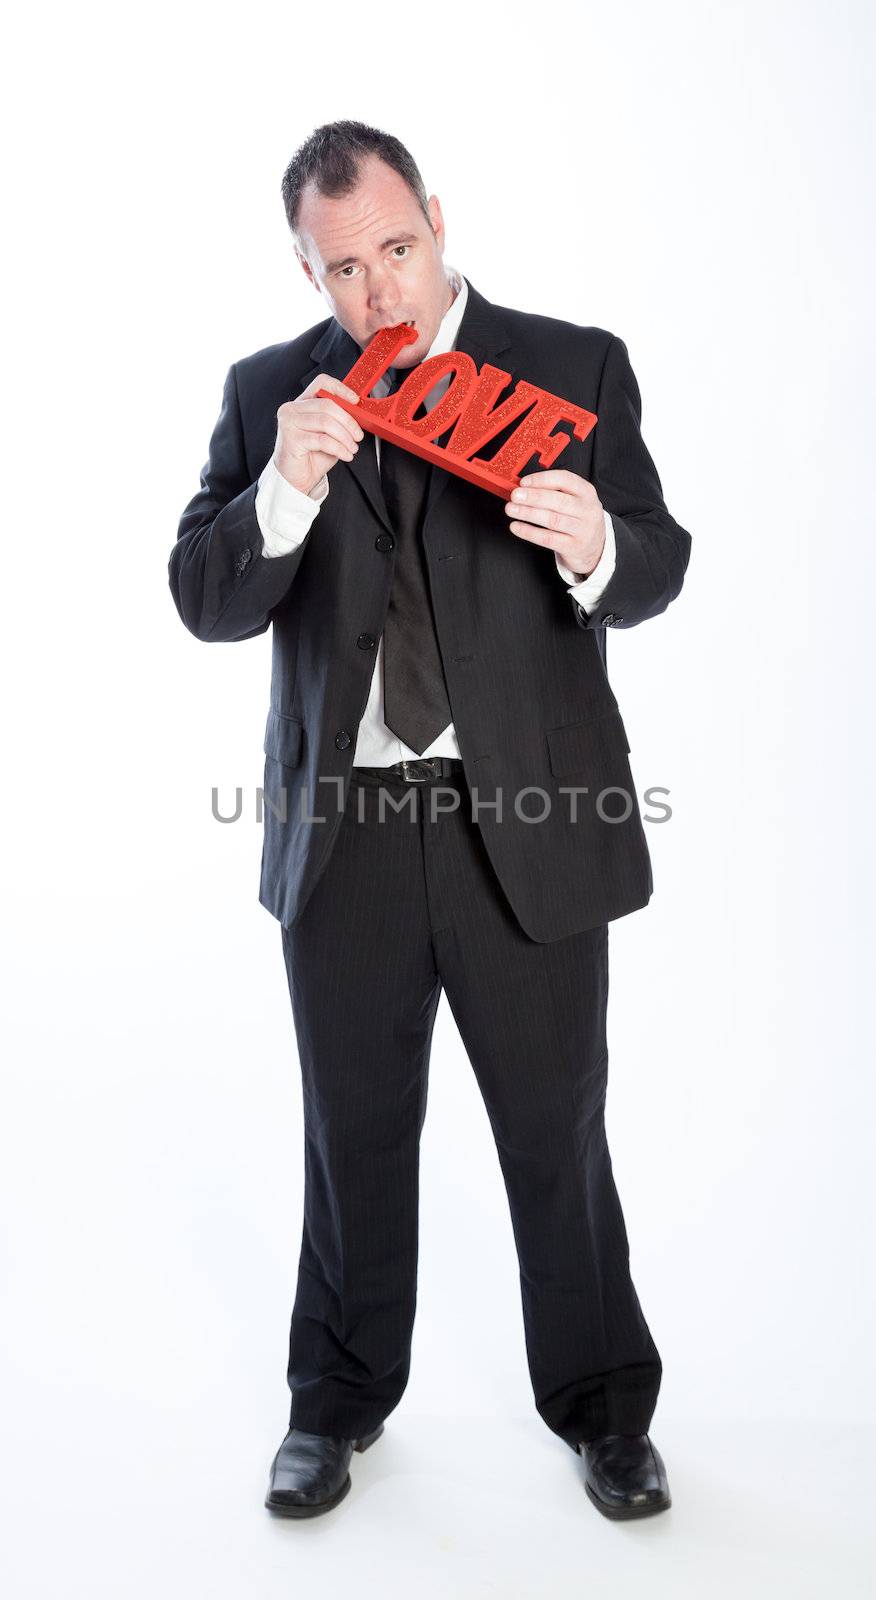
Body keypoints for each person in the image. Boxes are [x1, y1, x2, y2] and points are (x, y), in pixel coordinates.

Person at [168, 119, 692, 1522]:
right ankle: (332, 1405)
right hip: (347, 835)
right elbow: (205, 599)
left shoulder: (569, 365)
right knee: (351, 1132)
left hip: (522, 818)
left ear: (438, 223)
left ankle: (604, 1411)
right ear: (308, 269)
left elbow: (657, 563)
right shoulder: (266, 394)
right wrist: (283, 486)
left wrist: (596, 547)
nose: (380, 291)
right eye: (345, 269)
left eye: (397, 249)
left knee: (555, 1132)